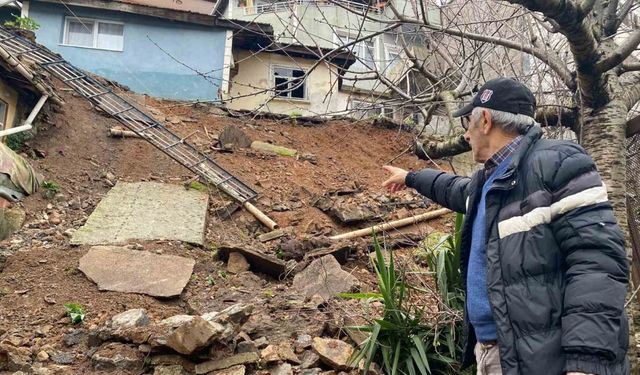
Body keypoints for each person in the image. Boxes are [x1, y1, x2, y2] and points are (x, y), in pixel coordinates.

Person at [382, 78, 630, 375]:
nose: (465, 134)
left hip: (542, 357)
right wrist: (410, 177)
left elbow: (598, 262)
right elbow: (451, 188)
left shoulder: (557, 164)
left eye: (468, 123)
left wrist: (586, 361)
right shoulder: (488, 181)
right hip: (492, 350)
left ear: (485, 120)